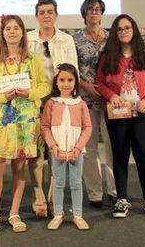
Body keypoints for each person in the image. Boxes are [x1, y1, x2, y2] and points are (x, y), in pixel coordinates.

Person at [0, 15, 51, 233]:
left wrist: (29, 92)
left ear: (23, 32)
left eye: (16, 28)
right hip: (3, 121)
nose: (12, 32)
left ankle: (14, 213)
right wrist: (4, 96)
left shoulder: (33, 61)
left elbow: (45, 86)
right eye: (8, 28)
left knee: (19, 167)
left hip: (26, 120)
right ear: (2, 34)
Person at [95, 14, 145, 219]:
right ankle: (121, 199)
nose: (124, 31)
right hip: (118, 114)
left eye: (127, 27)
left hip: (142, 113)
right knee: (120, 155)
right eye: (119, 29)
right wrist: (112, 95)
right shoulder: (108, 56)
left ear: (133, 30)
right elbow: (99, 82)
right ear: (115, 33)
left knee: (143, 155)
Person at [27, 0, 78, 217]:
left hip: (58, 101)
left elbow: (73, 71)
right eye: (42, 12)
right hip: (33, 101)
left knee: (55, 150)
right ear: (36, 15)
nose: (46, 16)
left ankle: (52, 199)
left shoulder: (66, 39)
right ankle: (38, 199)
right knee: (36, 153)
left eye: (50, 12)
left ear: (56, 15)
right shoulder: (28, 39)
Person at [72, 0, 116, 208]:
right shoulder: (75, 38)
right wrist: (87, 86)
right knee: (89, 149)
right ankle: (95, 192)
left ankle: (116, 190)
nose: (94, 12)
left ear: (102, 12)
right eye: (90, 9)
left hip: (109, 100)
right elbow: (72, 68)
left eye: (97, 9)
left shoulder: (111, 38)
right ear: (84, 14)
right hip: (86, 98)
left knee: (112, 146)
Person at [41, 63, 92, 231]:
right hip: (58, 151)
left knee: (76, 183)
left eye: (70, 80)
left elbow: (87, 127)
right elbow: (45, 127)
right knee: (58, 183)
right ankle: (58, 214)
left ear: (75, 82)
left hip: (76, 152)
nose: (66, 83)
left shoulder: (81, 104)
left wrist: (78, 148)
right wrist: (53, 146)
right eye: (62, 80)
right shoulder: (51, 103)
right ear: (56, 82)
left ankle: (77, 215)